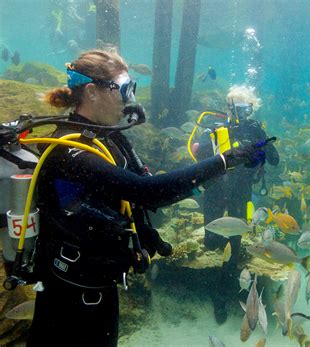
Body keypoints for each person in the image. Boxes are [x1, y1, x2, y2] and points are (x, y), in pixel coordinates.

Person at [25, 49, 264, 347]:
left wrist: (145, 234)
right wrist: (224, 161)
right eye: (125, 89)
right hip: (68, 296)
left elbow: (141, 193)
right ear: (92, 92)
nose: (130, 98)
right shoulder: (69, 150)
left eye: (132, 88)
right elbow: (147, 191)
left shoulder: (107, 138)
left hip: (99, 285)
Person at [195, 85, 279, 324]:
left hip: (240, 195)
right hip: (214, 191)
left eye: (247, 108)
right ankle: (217, 271)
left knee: (234, 244)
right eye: (239, 108)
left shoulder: (255, 130)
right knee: (211, 240)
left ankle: (220, 293)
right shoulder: (214, 130)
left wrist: (260, 147)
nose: (243, 113)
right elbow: (201, 162)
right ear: (228, 107)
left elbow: (275, 160)